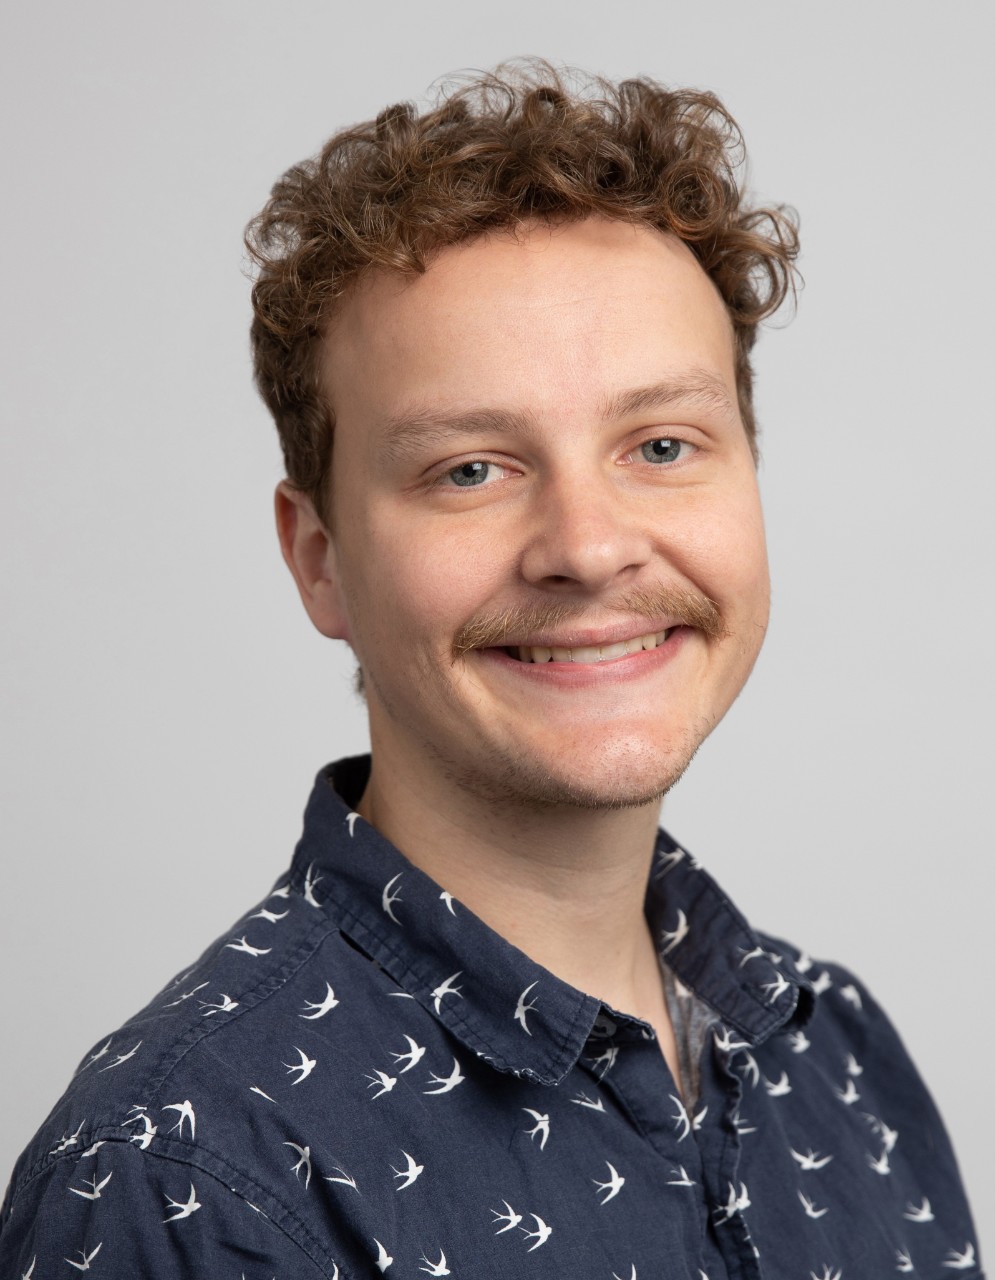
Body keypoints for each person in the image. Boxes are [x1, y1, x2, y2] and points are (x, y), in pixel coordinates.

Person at [0, 61, 982, 1279]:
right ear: (319, 560)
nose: (585, 545)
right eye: (469, 468)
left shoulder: (834, 1050)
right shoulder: (186, 1178)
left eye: (662, 443)